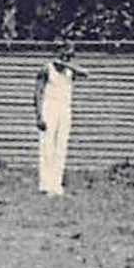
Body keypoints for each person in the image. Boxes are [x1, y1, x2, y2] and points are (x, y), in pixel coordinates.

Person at [35, 42, 91, 197]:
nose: (66, 55)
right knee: (47, 146)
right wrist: (39, 115)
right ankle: (45, 185)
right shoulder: (47, 69)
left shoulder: (70, 71)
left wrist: (67, 64)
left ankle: (56, 185)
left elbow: (86, 73)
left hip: (65, 109)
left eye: (69, 53)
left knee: (61, 146)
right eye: (63, 52)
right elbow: (38, 92)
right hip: (49, 107)